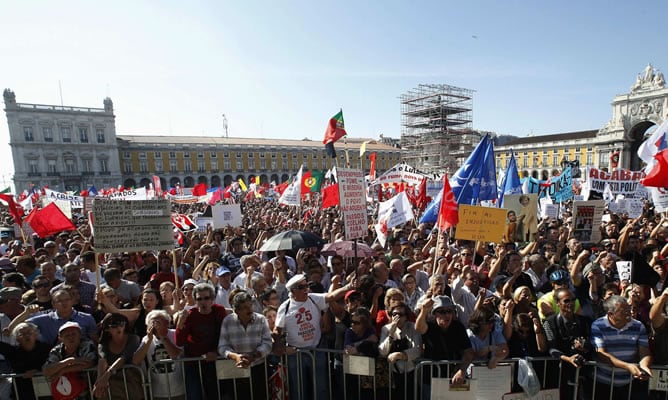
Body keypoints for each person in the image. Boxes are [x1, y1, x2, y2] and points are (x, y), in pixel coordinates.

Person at [274, 273, 350, 400]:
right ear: (293, 291)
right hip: (295, 353)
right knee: (298, 388)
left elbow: (331, 296)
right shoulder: (285, 307)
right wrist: (277, 343)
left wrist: (348, 287)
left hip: (317, 350)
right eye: (302, 287)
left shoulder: (313, 298)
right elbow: (278, 329)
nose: (306, 290)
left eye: (306, 286)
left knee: (321, 387)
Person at [590, 295, 652, 400]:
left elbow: (644, 352)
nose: (629, 313)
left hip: (629, 383)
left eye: (629, 309)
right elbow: (602, 354)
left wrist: (644, 366)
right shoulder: (598, 325)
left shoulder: (638, 325)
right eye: (624, 311)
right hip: (603, 383)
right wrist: (627, 366)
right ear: (611, 314)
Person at [175, 282, 227, 400]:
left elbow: (224, 335)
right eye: (199, 299)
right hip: (194, 363)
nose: (203, 302)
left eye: (206, 298)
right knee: (194, 395)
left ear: (212, 298)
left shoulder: (219, 311)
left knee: (216, 395)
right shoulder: (190, 315)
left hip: (215, 362)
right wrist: (180, 324)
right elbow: (179, 341)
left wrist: (216, 352)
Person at [416, 295, 474, 397]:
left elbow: (468, 352)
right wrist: (424, 310)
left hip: (453, 378)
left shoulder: (458, 326)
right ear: (435, 314)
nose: (447, 315)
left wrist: (462, 370)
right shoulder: (429, 325)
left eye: (449, 311)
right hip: (431, 380)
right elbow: (419, 328)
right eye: (442, 312)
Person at [218, 291, 272, 400]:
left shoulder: (261, 320)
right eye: (245, 307)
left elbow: (267, 343)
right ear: (237, 310)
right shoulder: (227, 321)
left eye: (250, 305)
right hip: (236, 369)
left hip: (258, 368)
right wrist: (235, 357)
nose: (249, 309)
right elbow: (222, 347)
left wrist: (253, 356)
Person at [543, 288, 592, 400]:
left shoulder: (585, 321)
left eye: (573, 300)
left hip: (581, 373)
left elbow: (592, 344)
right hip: (559, 373)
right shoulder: (549, 322)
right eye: (566, 301)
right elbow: (551, 349)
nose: (571, 303)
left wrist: (584, 347)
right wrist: (568, 358)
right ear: (557, 303)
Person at [132, 310, 185, 400]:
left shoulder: (175, 334)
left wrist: (163, 337)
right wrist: (148, 340)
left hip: (179, 388)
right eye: (152, 323)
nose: (155, 326)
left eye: (158, 322)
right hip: (157, 391)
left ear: (167, 323)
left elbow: (175, 355)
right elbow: (136, 360)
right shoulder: (146, 338)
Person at [92, 313, 144, 399]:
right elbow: (102, 360)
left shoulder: (134, 339)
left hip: (130, 385)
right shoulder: (103, 344)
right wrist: (99, 381)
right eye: (114, 325)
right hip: (112, 387)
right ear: (107, 329)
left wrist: (107, 375)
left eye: (121, 323)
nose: (118, 327)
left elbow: (124, 357)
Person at [21, 289, 97, 346]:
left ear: (71, 301)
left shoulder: (87, 318)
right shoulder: (44, 319)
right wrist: (26, 313)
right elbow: (13, 328)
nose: (64, 303)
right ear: (53, 304)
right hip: (54, 358)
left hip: (83, 356)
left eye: (67, 300)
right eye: (60, 301)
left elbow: (95, 341)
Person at [42, 322, 97, 400]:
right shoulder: (56, 351)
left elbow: (89, 363)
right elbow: (46, 370)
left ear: (80, 335)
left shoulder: (87, 344)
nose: (71, 337)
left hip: (88, 393)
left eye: (74, 334)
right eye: (67, 335)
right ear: (60, 338)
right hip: (66, 395)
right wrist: (68, 361)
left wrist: (63, 370)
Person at [378, 302, 421, 400]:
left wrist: (400, 355)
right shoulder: (386, 329)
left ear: (406, 317)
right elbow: (382, 352)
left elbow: (418, 350)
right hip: (393, 374)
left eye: (400, 315)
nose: (397, 317)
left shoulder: (413, 327)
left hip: (410, 373)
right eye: (394, 314)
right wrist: (391, 334)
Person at [0, 322, 51, 400]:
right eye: (22, 334)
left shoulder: (47, 349)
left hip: (46, 390)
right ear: (17, 338)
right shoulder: (13, 352)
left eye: (29, 332)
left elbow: (54, 363)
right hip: (22, 392)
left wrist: (38, 371)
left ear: (35, 334)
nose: (26, 335)